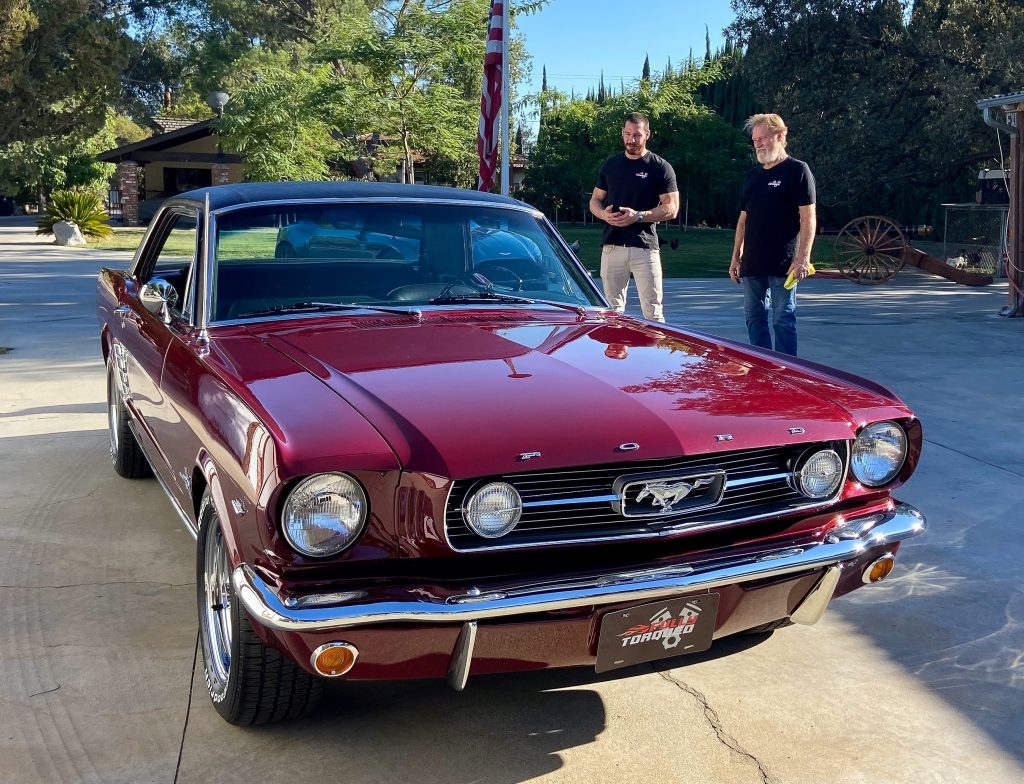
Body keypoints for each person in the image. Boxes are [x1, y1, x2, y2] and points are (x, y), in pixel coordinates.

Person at [728, 113, 816, 356]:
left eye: (763, 138)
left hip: (784, 263)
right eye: (755, 140)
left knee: (783, 319)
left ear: (780, 136)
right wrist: (736, 257)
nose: (758, 144)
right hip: (752, 263)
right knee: (753, 318)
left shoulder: (798, 171)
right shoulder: (752, 176)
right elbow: (743, 220)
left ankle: (788, 372)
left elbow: (808, 217)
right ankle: (762, 370)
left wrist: (803, 258)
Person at [590, 113, 679, 322]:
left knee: (653, 313)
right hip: (612, 247)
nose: (631, 140)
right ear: (622, 133)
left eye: (637, 135)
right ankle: (614, 355)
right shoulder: (611, 165)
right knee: (611, 314)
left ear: (647, 134)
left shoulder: (659, 167)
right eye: (628, 134)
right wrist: (603, 214)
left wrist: (638, 216)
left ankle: (654, 355)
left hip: (645, 248)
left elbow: (672, 208)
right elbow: (595, 200)